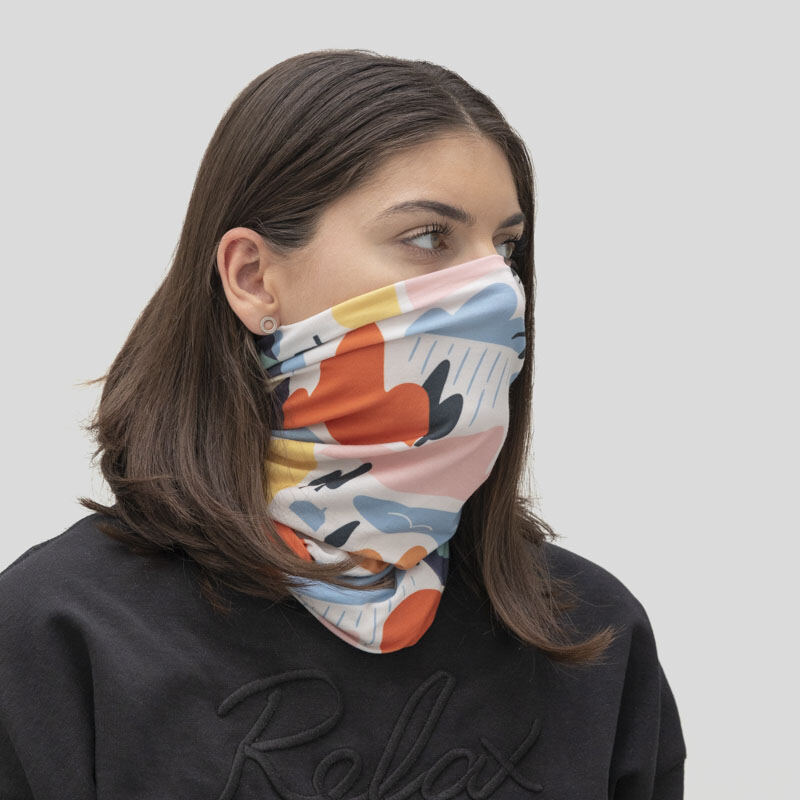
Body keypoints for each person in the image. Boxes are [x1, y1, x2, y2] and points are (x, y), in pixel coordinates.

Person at [0, 49, 686, 798]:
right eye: (429, 237)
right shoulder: (57, 634)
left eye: (506, 248)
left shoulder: (591, 636)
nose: (498, 291)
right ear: (253, 277)